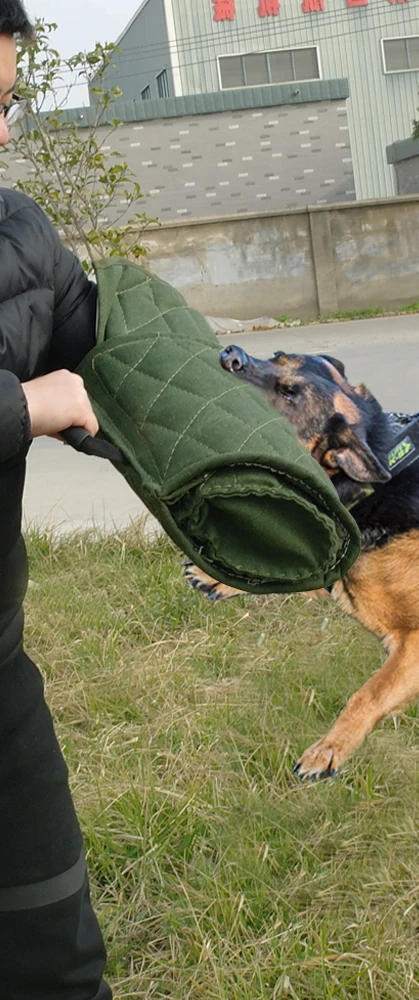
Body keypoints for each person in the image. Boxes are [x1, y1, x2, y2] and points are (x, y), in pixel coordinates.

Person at [0, 1, 113, 996]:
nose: (1, 135)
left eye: (4, 104)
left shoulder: (20, 234)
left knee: (53, 945)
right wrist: (19, 406)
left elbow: (113, 359)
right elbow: (40, 398)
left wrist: (281, 424)